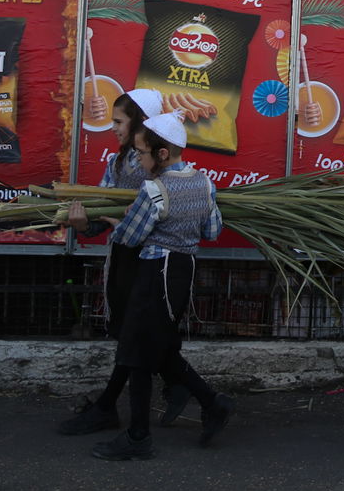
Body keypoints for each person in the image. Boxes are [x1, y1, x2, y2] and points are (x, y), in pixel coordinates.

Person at [89, 110, 235, 460]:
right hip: (183, 272)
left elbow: (129, 237)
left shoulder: (154, 190)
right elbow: (212, 230)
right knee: (160, 348)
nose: (139, 160)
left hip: (156, 273)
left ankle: (138, 436)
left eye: (142, 153)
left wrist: (113, 220)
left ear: (163, 153)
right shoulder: (205, 183)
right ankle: (213, 403)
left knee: (138, 354)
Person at [58, 88, 192, 436]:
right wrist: (83, 224)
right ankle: (186, 390)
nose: (113, 127)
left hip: (148, 260)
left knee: (135, 336)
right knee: (134, 334)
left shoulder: (156, 163)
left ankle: (112, 409)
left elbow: (163, 215)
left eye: (119, 121)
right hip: (124, 257)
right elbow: (101, 217)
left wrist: (124, 221)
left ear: (141, 122)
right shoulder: (117, 162)